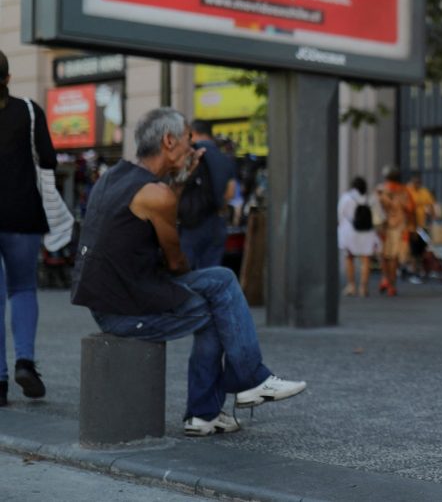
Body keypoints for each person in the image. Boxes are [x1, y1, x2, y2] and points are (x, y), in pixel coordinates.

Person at [71, 108, 306, 437]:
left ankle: (224, 401)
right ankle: (221, 399)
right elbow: (176, 262)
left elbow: (159, 221)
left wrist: (178, 185)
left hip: (115, 298)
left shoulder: (114, 176)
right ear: (169, 141)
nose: (192, 149)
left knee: (221, 280)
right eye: (187, 140)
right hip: (123, 312)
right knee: (216, 307)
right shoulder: (156, 193)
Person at [0, 50, 52, 406]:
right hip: (23, 214)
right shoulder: (29, 111)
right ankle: (25, 362)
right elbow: (47, 159)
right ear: (7, 77)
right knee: (22, 288)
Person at [179, 120, 237, 269]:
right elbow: (231, 192)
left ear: (194, 133)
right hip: (217, 222)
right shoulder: (225, 157)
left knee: (188, 275)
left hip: (192, 223)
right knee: (212, 273)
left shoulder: (192, 154)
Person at [337, 176, 380, 297]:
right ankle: (363, 287)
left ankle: (351, 285)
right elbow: (378, 215)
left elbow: (340, 214)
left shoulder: (346, 197)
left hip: (349, 231)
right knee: (365, 260)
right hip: (367, 232)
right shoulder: (371, 198)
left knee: (349, 258)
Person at [377, 170, 413, 296]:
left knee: (383, 256)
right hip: (398, 228)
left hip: (382, 227)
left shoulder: (380, 190)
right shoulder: (403, 191)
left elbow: (376, 208)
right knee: (393, 258)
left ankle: (385, 278)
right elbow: (409, 209)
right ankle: (392, 285)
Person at [406, 173, 437, 282]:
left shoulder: (424, 192)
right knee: (414, 251)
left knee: (422, 249)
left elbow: (431, 205)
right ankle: (414, 272)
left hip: (422, 227)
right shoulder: (407, 192)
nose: (417, 185)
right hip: (411, 227)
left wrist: (432, 221)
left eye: (418, 183)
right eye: (415, 183)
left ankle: (421, 271)